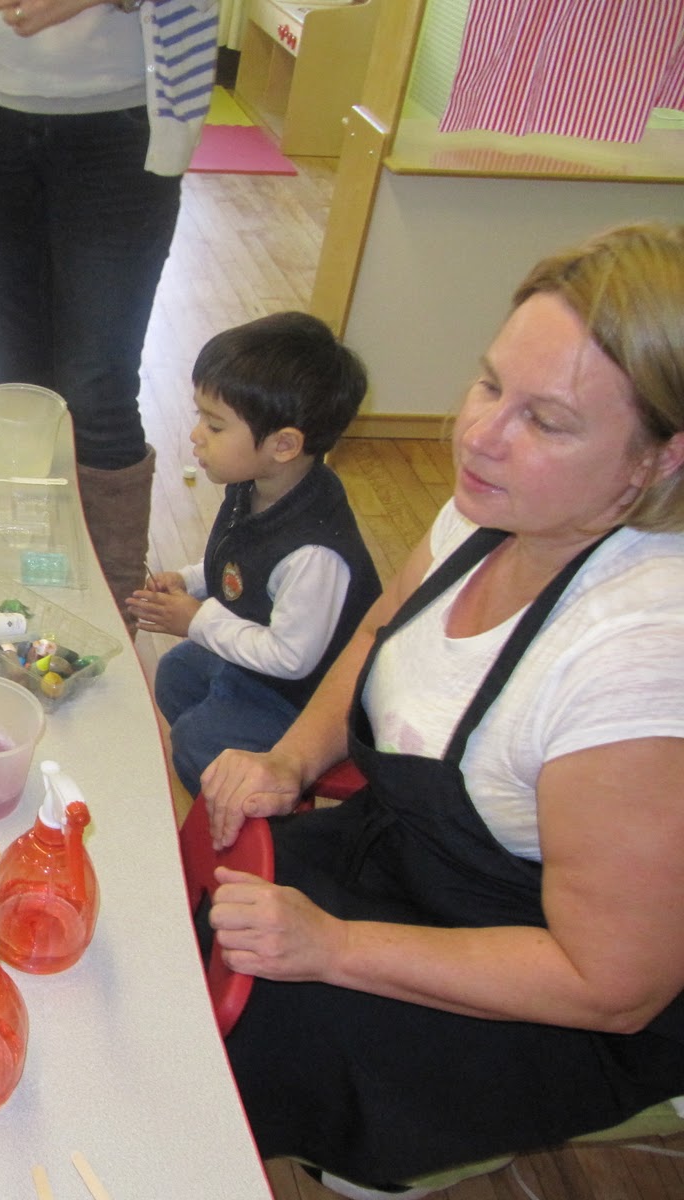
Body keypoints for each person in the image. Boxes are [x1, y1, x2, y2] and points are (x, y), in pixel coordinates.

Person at [199, 223, 684, 1198]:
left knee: (243, 1046)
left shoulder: (638, 659)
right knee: (186, 927)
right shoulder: (491, 501)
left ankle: (389, 1153)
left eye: (545, 420)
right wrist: (288, 762)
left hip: (544, 993)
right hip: (408, 858)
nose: (479, 434)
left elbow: (611, 986)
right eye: (489, 382)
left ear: (655, 464)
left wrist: (333, 949)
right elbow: (382, 631)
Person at [0, 0, 220, 621]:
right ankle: (20, 611)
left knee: (97, 390)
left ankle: (109, 623)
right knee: (18, 383)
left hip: (119, 115)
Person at [128, 312, 379, 797]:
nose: (197, 434)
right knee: (177, 674)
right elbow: (239, 559)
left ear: (284, 445)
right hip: (261, 663)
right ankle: (228, 751)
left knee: (195, 741)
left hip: (305, 698)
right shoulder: (257, 484)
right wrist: (190, 580)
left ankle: (249, 798)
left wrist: (197, 619)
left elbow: (289, 658)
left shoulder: (314, 554)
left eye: (216, 425)